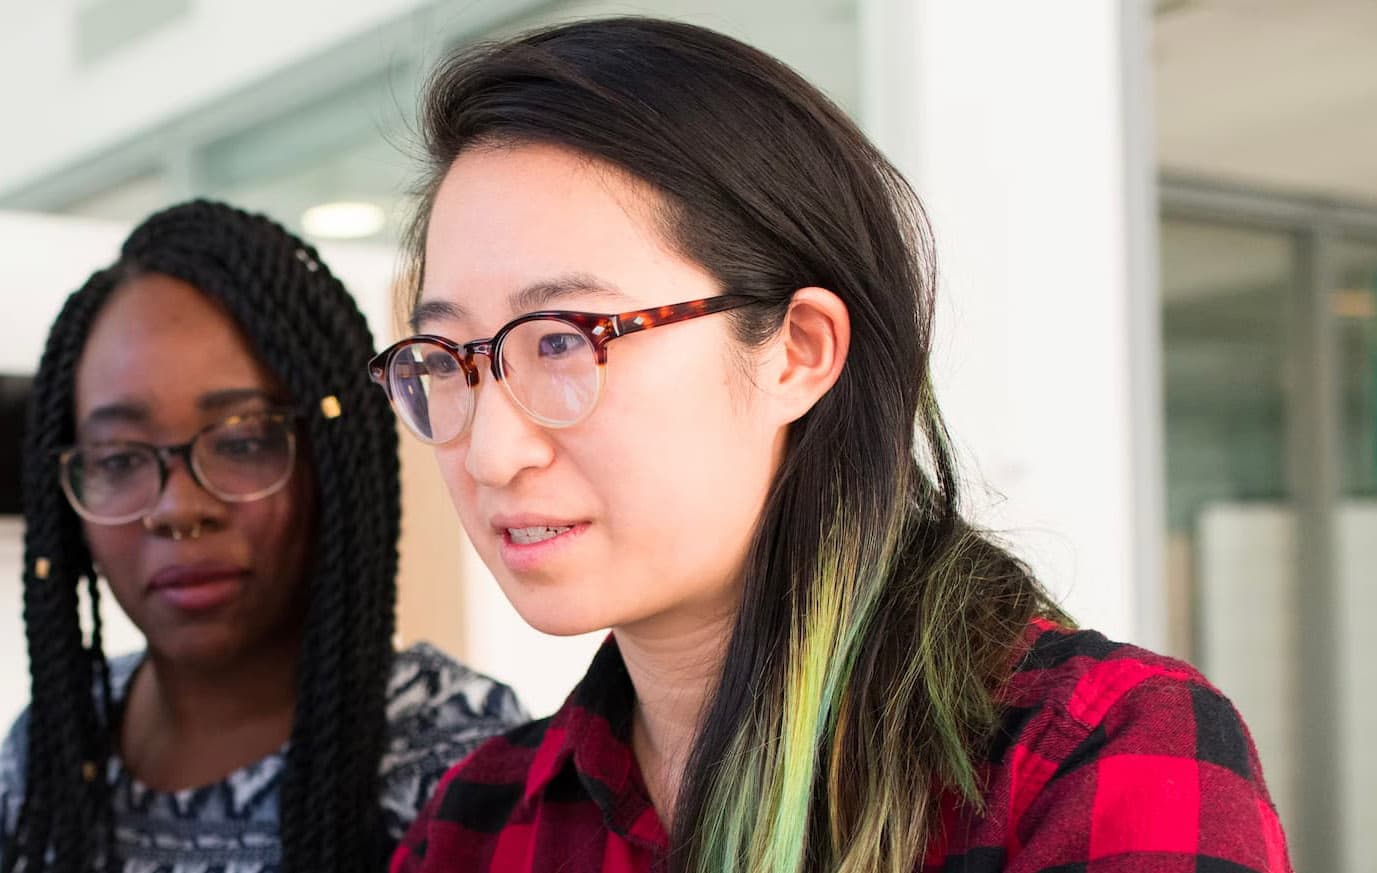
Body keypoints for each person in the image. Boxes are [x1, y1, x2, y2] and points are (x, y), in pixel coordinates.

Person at [373, 18, 1292, 873]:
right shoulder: (479, 821)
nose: (493, 453)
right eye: (448, 359)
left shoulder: (1095, 756)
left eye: (562, 342)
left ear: (798, 349)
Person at [0, 200, 526, 873]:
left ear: (329, 459)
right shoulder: (50, 752)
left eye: (242, 442)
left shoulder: (456, 757)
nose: (179, 508)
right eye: (119, 459)